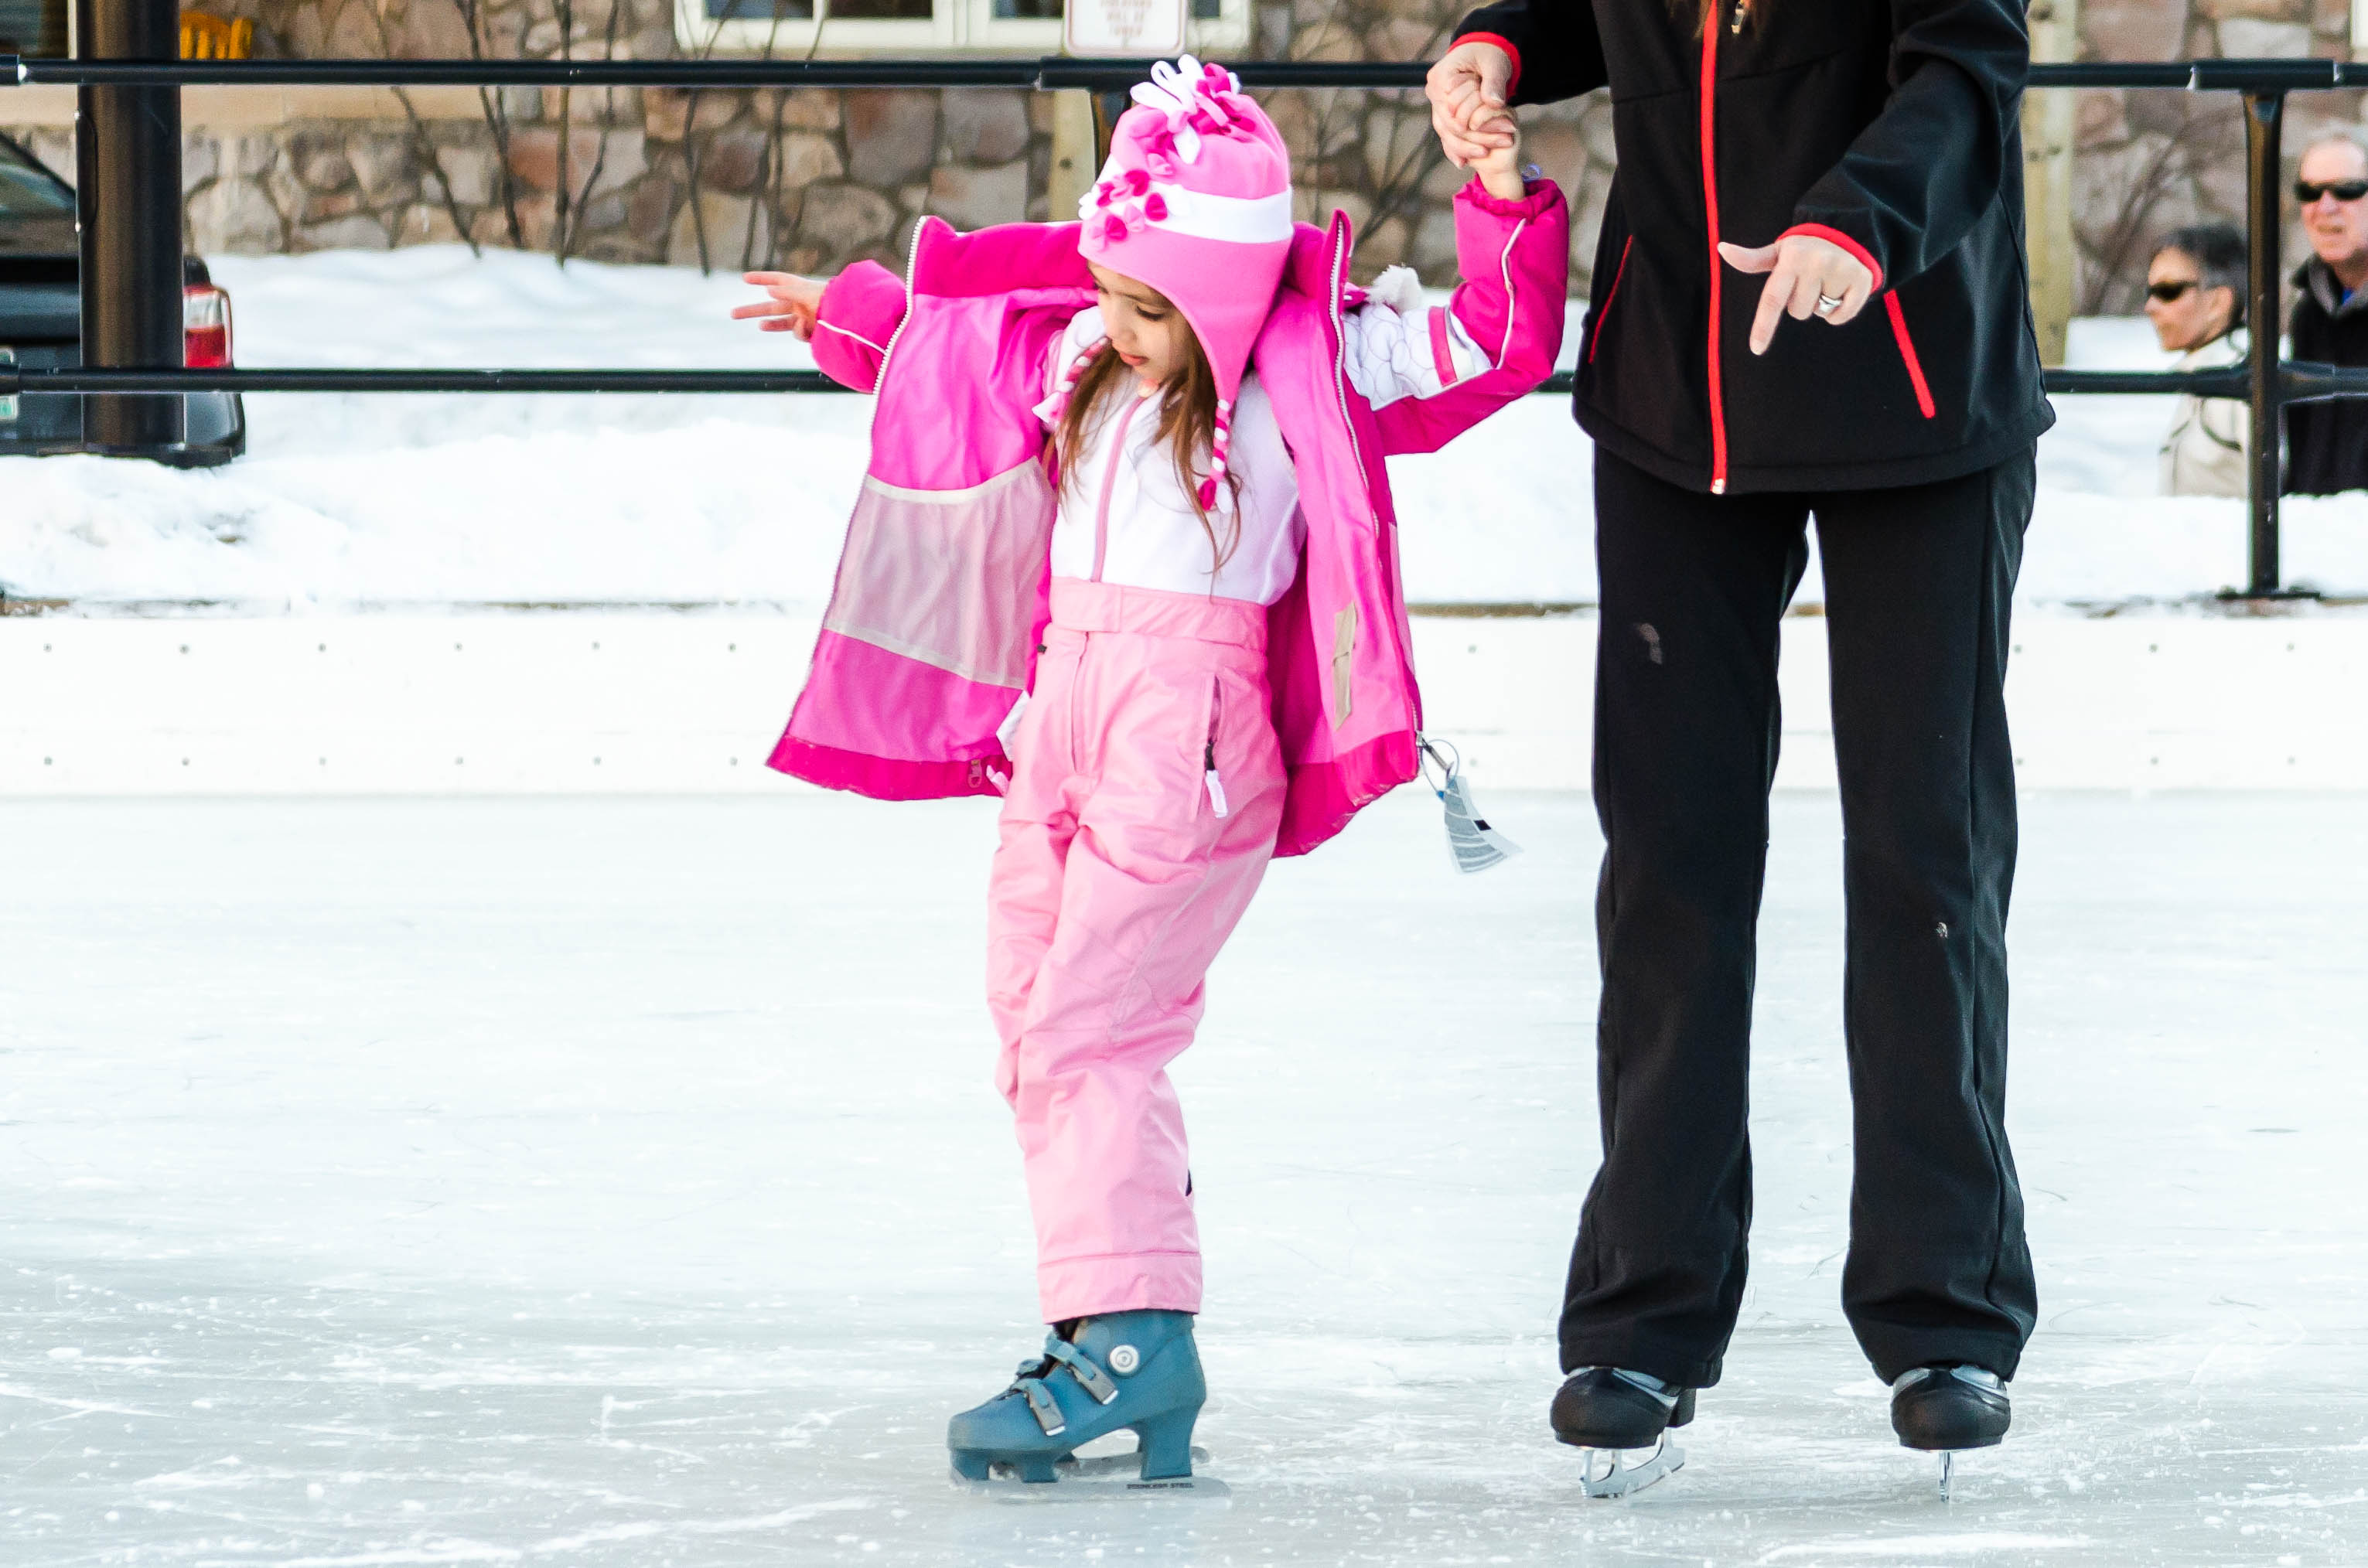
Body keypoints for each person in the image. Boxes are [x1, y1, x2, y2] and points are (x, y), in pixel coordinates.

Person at [733, 58, 1568, 1488]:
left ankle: (1129, 1342)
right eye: (1106, 291)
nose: (1110, 328)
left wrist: (1497, 196)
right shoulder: (1087, 354)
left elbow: (1491, 345)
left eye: (1143, 306)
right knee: (1029, 1020)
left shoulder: (1314, 365)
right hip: (1061, 709)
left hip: (1184, 734)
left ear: (1223, 299)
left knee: (1091, 1027)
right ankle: (1106, 1326)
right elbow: (958, 354)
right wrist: (851, 314)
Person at [1428, 0, 2049, 1492]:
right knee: (1668, 864)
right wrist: (1494, 47)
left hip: (1908, 385)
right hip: (1674, 395)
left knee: (1924, 858)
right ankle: (1641, 1316)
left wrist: (1859, 220)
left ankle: (1942, 1316)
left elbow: (1963, 70)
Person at [2288, 133, 2368, 496]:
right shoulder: (2309, 311)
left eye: (2347, 190)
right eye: (2310, 193)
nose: (2325, 207)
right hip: (2316, 535)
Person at [2145, 222, 2248, 498]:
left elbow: (2281, 499)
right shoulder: (2206, 375)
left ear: (2218, 302)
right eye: (2149, 292)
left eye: (2168, 291)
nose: (2150, 307)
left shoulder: (2242, 382)